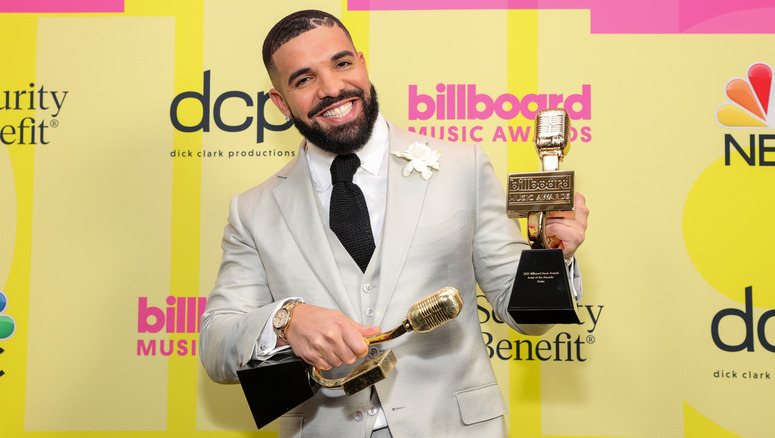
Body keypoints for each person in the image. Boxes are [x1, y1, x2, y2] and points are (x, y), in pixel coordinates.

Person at [199, 9, 589, 438]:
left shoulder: (463, 168)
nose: (333, 88)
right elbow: (217, 346)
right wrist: (285, 320)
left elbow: (527, 317)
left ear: (362, 64)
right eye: (304, 79)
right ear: (280, 102)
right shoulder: (252, 210)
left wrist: (553, 257)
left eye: (342, 63)